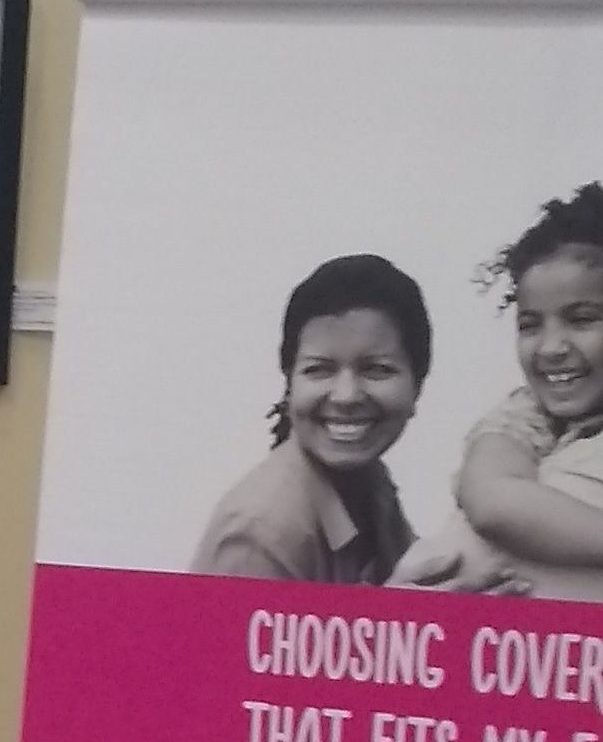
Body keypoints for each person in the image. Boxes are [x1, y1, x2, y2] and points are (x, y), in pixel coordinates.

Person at [394, 183, 603, 601]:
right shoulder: (527, 413)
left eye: (582, 320)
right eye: (530, 324)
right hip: (423, 626)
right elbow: (489, 501)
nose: (551, 348)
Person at [192, 255, 431, 584]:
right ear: (290, 384)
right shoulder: (261, 534)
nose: (346, 396)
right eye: (319, 369)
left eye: (377, 369)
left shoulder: (368, 482)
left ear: (417, 384)